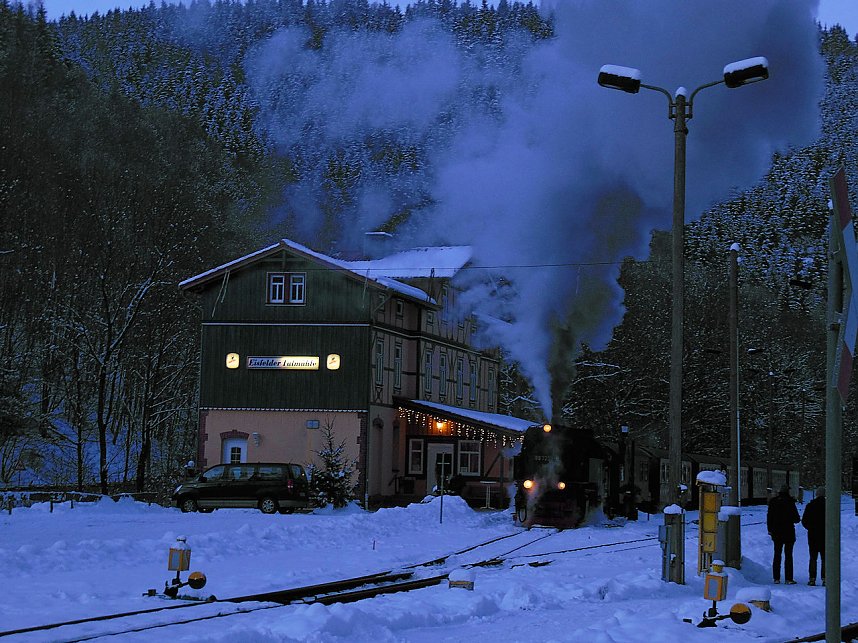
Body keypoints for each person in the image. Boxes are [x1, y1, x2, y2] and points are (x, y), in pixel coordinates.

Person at [767, 483, 800, 584]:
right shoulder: (790, 502)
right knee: (788, 555)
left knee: (777, 554)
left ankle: (776, 578)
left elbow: (769, 517)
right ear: (788, 491)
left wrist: (770, 529)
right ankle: (788, 578)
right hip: (788, 532)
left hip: (776, 532)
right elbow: (796, 519)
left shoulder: (773, 502)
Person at [802, 486, 826, 586]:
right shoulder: (828, 505)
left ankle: (812, 578)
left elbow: (804, 521)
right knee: (825, 558)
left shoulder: (810, 505)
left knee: (813, 557)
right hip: (825, 535)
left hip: (813, 535)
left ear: (816, 494)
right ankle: (825, 578)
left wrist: (811, 528)